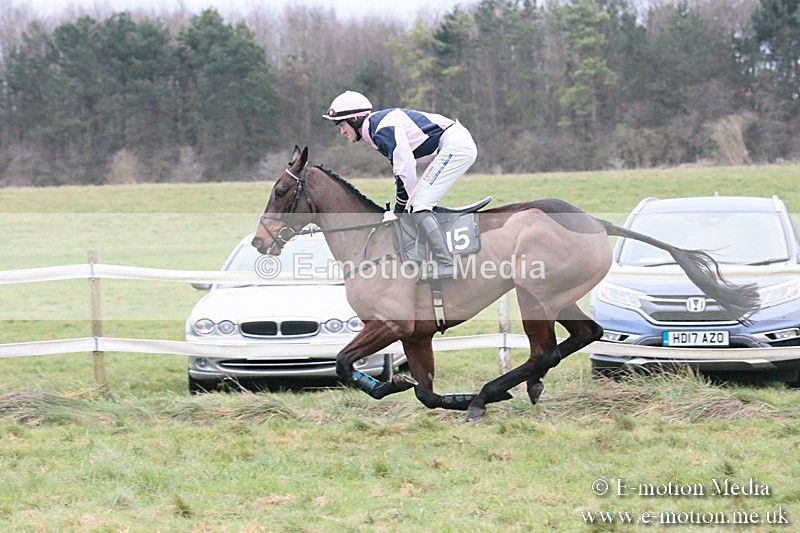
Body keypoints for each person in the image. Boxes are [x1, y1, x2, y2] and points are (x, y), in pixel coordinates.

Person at [323, 91, 478, 280]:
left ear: (355, 119)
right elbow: (402, 170)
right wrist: (403, 207)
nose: (342, 131)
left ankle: (446, 264)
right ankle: (423, 255)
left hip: (454, 146)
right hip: (452, 144)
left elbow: (405, 169)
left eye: (342, 125)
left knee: (418, 205)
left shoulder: (381, 130)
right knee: (415, 205)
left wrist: (398, 210)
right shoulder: (375, 128)